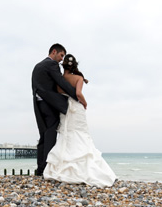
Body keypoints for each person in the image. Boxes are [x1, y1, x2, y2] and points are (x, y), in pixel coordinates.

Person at [43, 54, 116, 187]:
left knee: (67, 135)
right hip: (76, 108)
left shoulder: (59, 79)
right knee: (81, 134)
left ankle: (62, 167)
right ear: (74, 65)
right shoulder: (78, 78)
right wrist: (85, 103)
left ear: (63, 64)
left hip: (64, 109)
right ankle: (85, 168)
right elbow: (78, 94)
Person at [32, 44, 80, 176]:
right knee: (50, 136)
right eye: (61, 55)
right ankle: (48, 169)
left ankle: (40, 169)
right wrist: (76, 96)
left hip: (38, 105)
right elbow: (61, 82)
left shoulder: (37, 66)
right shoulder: (51, 65)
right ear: (54, 52)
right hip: (49, 105)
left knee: (43, 136)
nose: (61, 59)